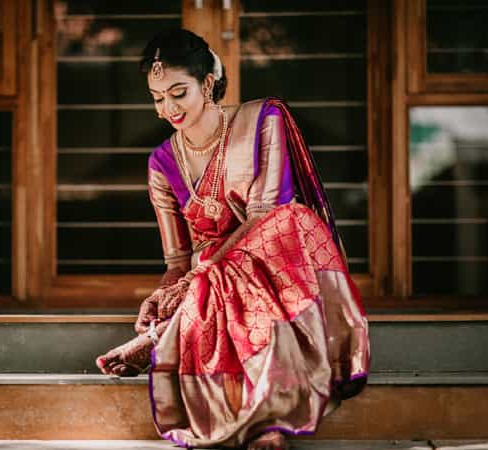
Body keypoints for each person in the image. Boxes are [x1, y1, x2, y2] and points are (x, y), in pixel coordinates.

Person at [96, 28, 370, 450]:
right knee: (216, 282)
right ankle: (261, 420)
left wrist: (195, 280)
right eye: (156, 98)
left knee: (288, 221)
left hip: (272, 257)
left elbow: (265, 215)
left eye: (178, 92)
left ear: (207, 84)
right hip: (208, 280)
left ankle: (163, 344)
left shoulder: (264, 119)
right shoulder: (161, 163)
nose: (167, 107)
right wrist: (163, 293)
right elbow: (177, 260)